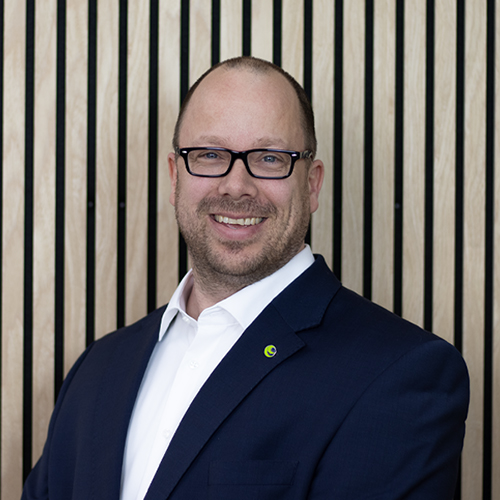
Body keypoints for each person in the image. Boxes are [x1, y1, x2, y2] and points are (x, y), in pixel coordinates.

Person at [22, 56, 469, 500]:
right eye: (210, 155)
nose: (236, 186)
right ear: (175, 177)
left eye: (270, 158)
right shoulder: (98, 369)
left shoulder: (400, 373)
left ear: (312, 184)